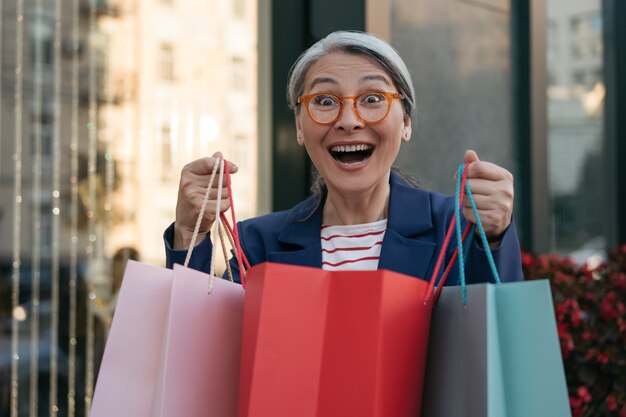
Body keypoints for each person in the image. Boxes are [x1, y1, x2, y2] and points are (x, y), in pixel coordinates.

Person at [164, 30, 523, 284]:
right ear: (300, 127)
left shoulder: (456, 230)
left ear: (406, 123)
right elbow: (203, 355)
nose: (349, 121)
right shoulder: (257, 247)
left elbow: (498, 349)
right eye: (324, 101)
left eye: (372, 99)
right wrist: (188, 235)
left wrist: (492, 238)